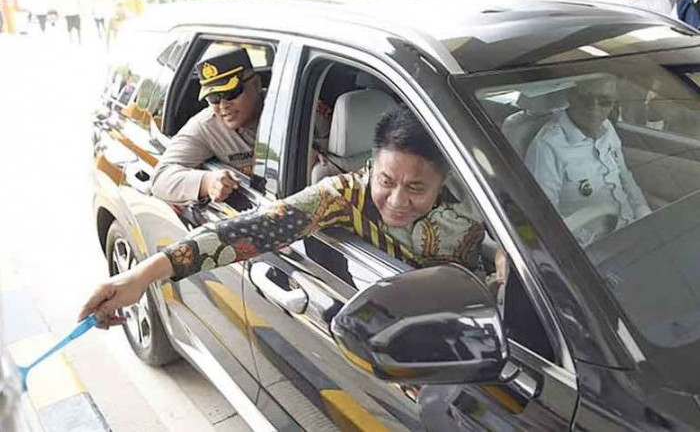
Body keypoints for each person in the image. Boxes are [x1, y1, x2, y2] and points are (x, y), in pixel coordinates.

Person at [79, 106, 507, 328]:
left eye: (416, 188)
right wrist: (140, 277)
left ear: (444, 179)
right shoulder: (345, 195)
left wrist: (506, 259)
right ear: (371, 164)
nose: (395, 200)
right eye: (385, 179)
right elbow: (251, 229)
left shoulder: (479, 193)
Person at [524, 79, 651, 246]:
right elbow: (544, 216)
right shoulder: (548, 146)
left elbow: (625, 177)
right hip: (591, 245)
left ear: (613, 103)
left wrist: (643, 212)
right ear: (570, 96)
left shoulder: (607, 128)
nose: (595, 109)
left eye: (605, 101)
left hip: (630, 228)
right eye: (586, 99)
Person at [151, 46, 263, 205]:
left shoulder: (289, 109)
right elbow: (160, 179)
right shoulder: (206, 126)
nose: (223, 105)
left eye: (231, 93)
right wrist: (207, 181)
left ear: (257, 84)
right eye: (213, 98)